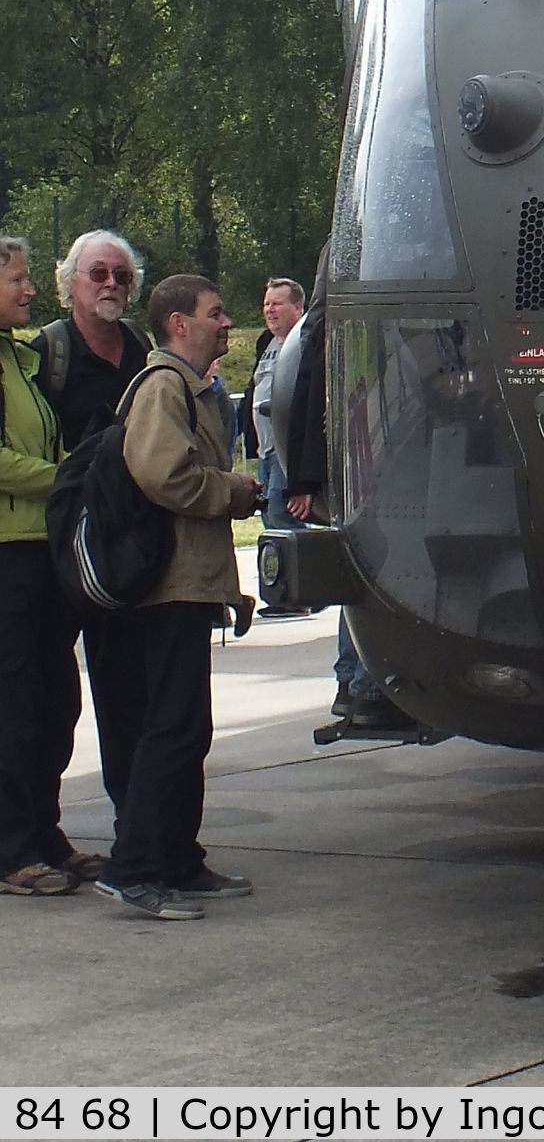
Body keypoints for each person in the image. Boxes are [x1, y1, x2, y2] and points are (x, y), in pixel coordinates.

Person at [90, 273, 261, 921]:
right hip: (168, 588)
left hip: (187, 583)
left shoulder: (189, 388)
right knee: (172, 727)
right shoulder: (163, 387)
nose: (226, 323)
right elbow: (163, 473)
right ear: (177, 324)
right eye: (214, 314)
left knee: (186, 728)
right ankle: (133, 868)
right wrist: (231, 491)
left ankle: (177, 862)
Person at [280, 264, 413, 732]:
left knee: (360, 570)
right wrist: (304, 480)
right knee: (373, 568)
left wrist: (303, 479)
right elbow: (308, 400)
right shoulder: (344, 334)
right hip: (363, 469)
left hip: (354, 468)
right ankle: (365, 683)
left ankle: (355, 682)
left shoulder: (324, 331)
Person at [0, 236, 91, 898]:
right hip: (7, 555)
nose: (30, 290)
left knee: (55, 700)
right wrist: (67, 478)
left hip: (40, 552)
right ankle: (13, 849)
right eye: (18, 280)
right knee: (17, 704)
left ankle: (43, 833)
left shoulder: (19, 359)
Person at [31, 230, 152, 450]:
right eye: (98, 273)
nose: (111, 283)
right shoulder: (48, 352)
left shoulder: (140, 344)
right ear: (70, 282)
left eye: (122, 275)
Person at [243, 277, 311, 619]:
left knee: (286, 518)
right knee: (272, 516)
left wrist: (302, 477)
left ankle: (297, 594)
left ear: (298, 307)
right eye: (267, 303)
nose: (269, 309)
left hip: (289, 451)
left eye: (277, 303)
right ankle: (291, 591)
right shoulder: (266, 343)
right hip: (268, 451)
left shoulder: (306, 343)